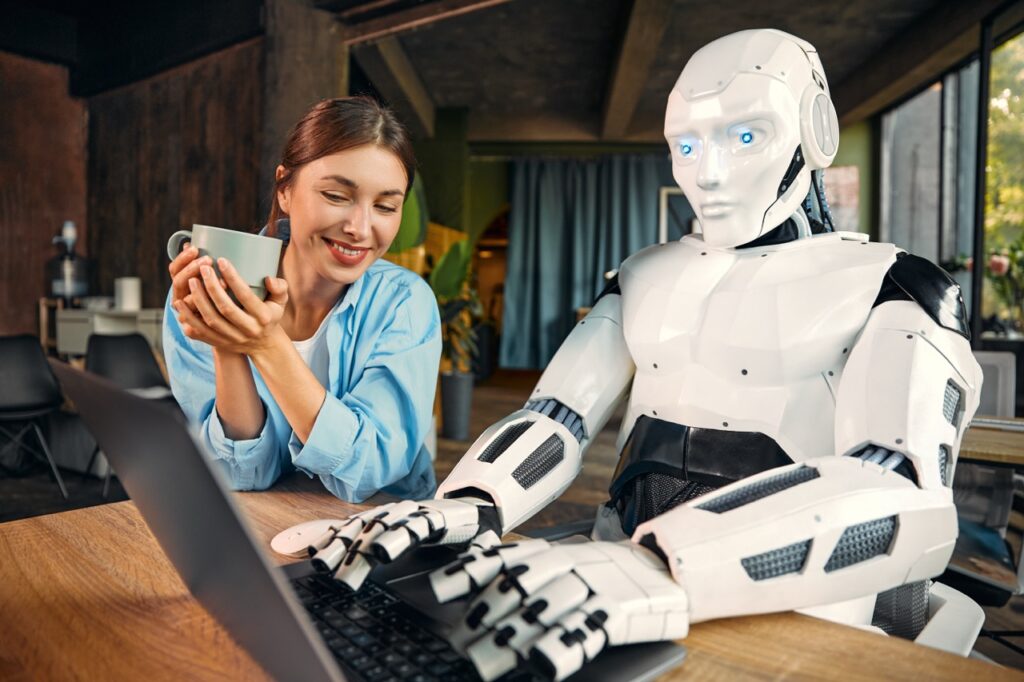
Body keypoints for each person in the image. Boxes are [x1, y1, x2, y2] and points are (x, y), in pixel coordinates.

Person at [297, 30, 984, 681]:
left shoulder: (892, 284)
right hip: (611, 589)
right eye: (686, 145)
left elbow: (901, 490)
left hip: (787, 614)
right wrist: (474, 503)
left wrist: (670, 566)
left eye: (746, 136)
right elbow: (556, 417)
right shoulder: (642, 274)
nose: (708, 172)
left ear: (817, 130)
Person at [163, 97, 440, 502]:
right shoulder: (202, 296)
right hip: (267, 525)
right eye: (336, 196)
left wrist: (267, 345)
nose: (360, 229)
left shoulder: (404, 303)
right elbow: (240, 473)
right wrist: (228, 344)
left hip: (385, 532)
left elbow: (370, 470)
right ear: (285, 190)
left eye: (385, 206)